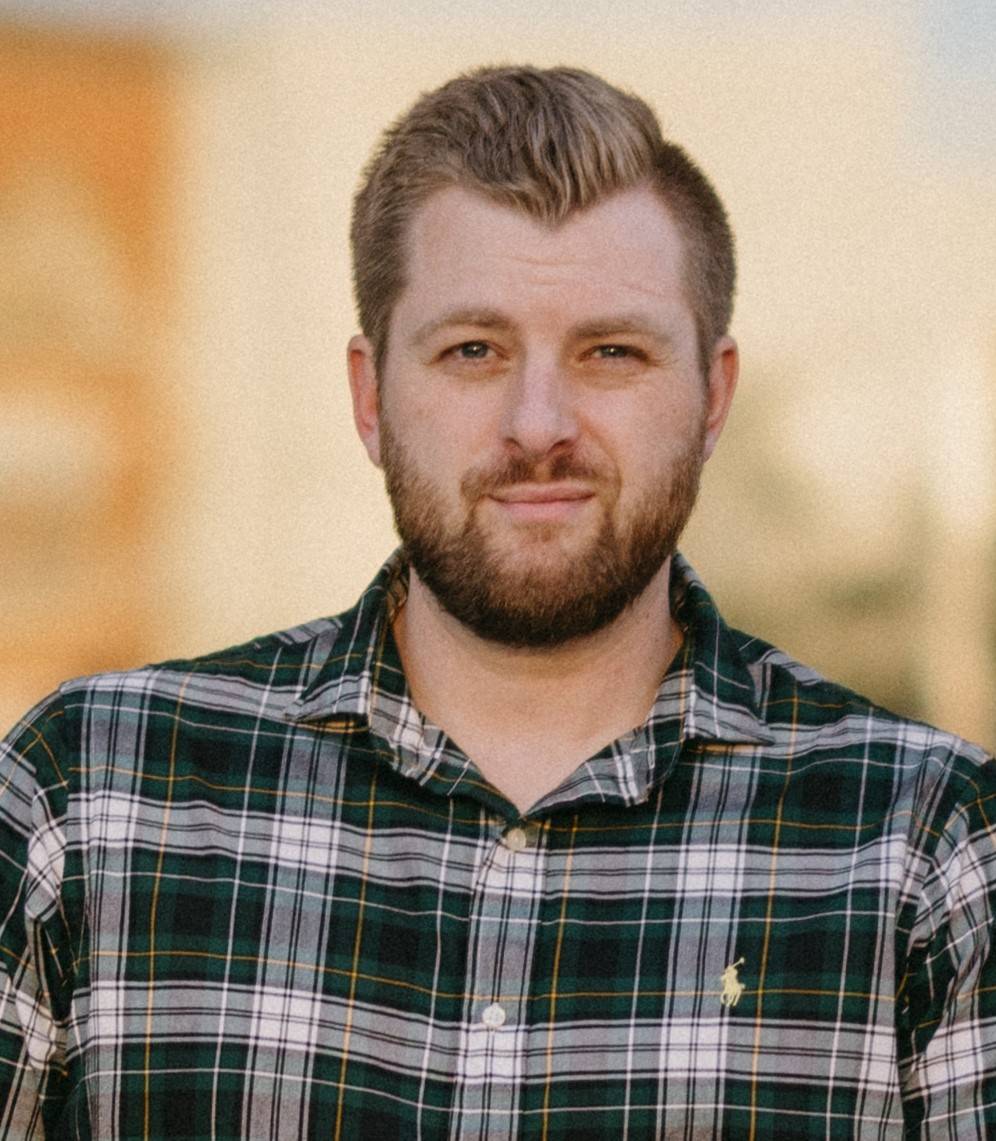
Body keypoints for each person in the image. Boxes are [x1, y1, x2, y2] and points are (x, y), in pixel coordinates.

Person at [0, 65, 993, 1140]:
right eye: (473, 350)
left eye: (611, 351)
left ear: (712, 396)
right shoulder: (89, 802)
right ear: (370, 396)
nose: (538, 424)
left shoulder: (920, 851)